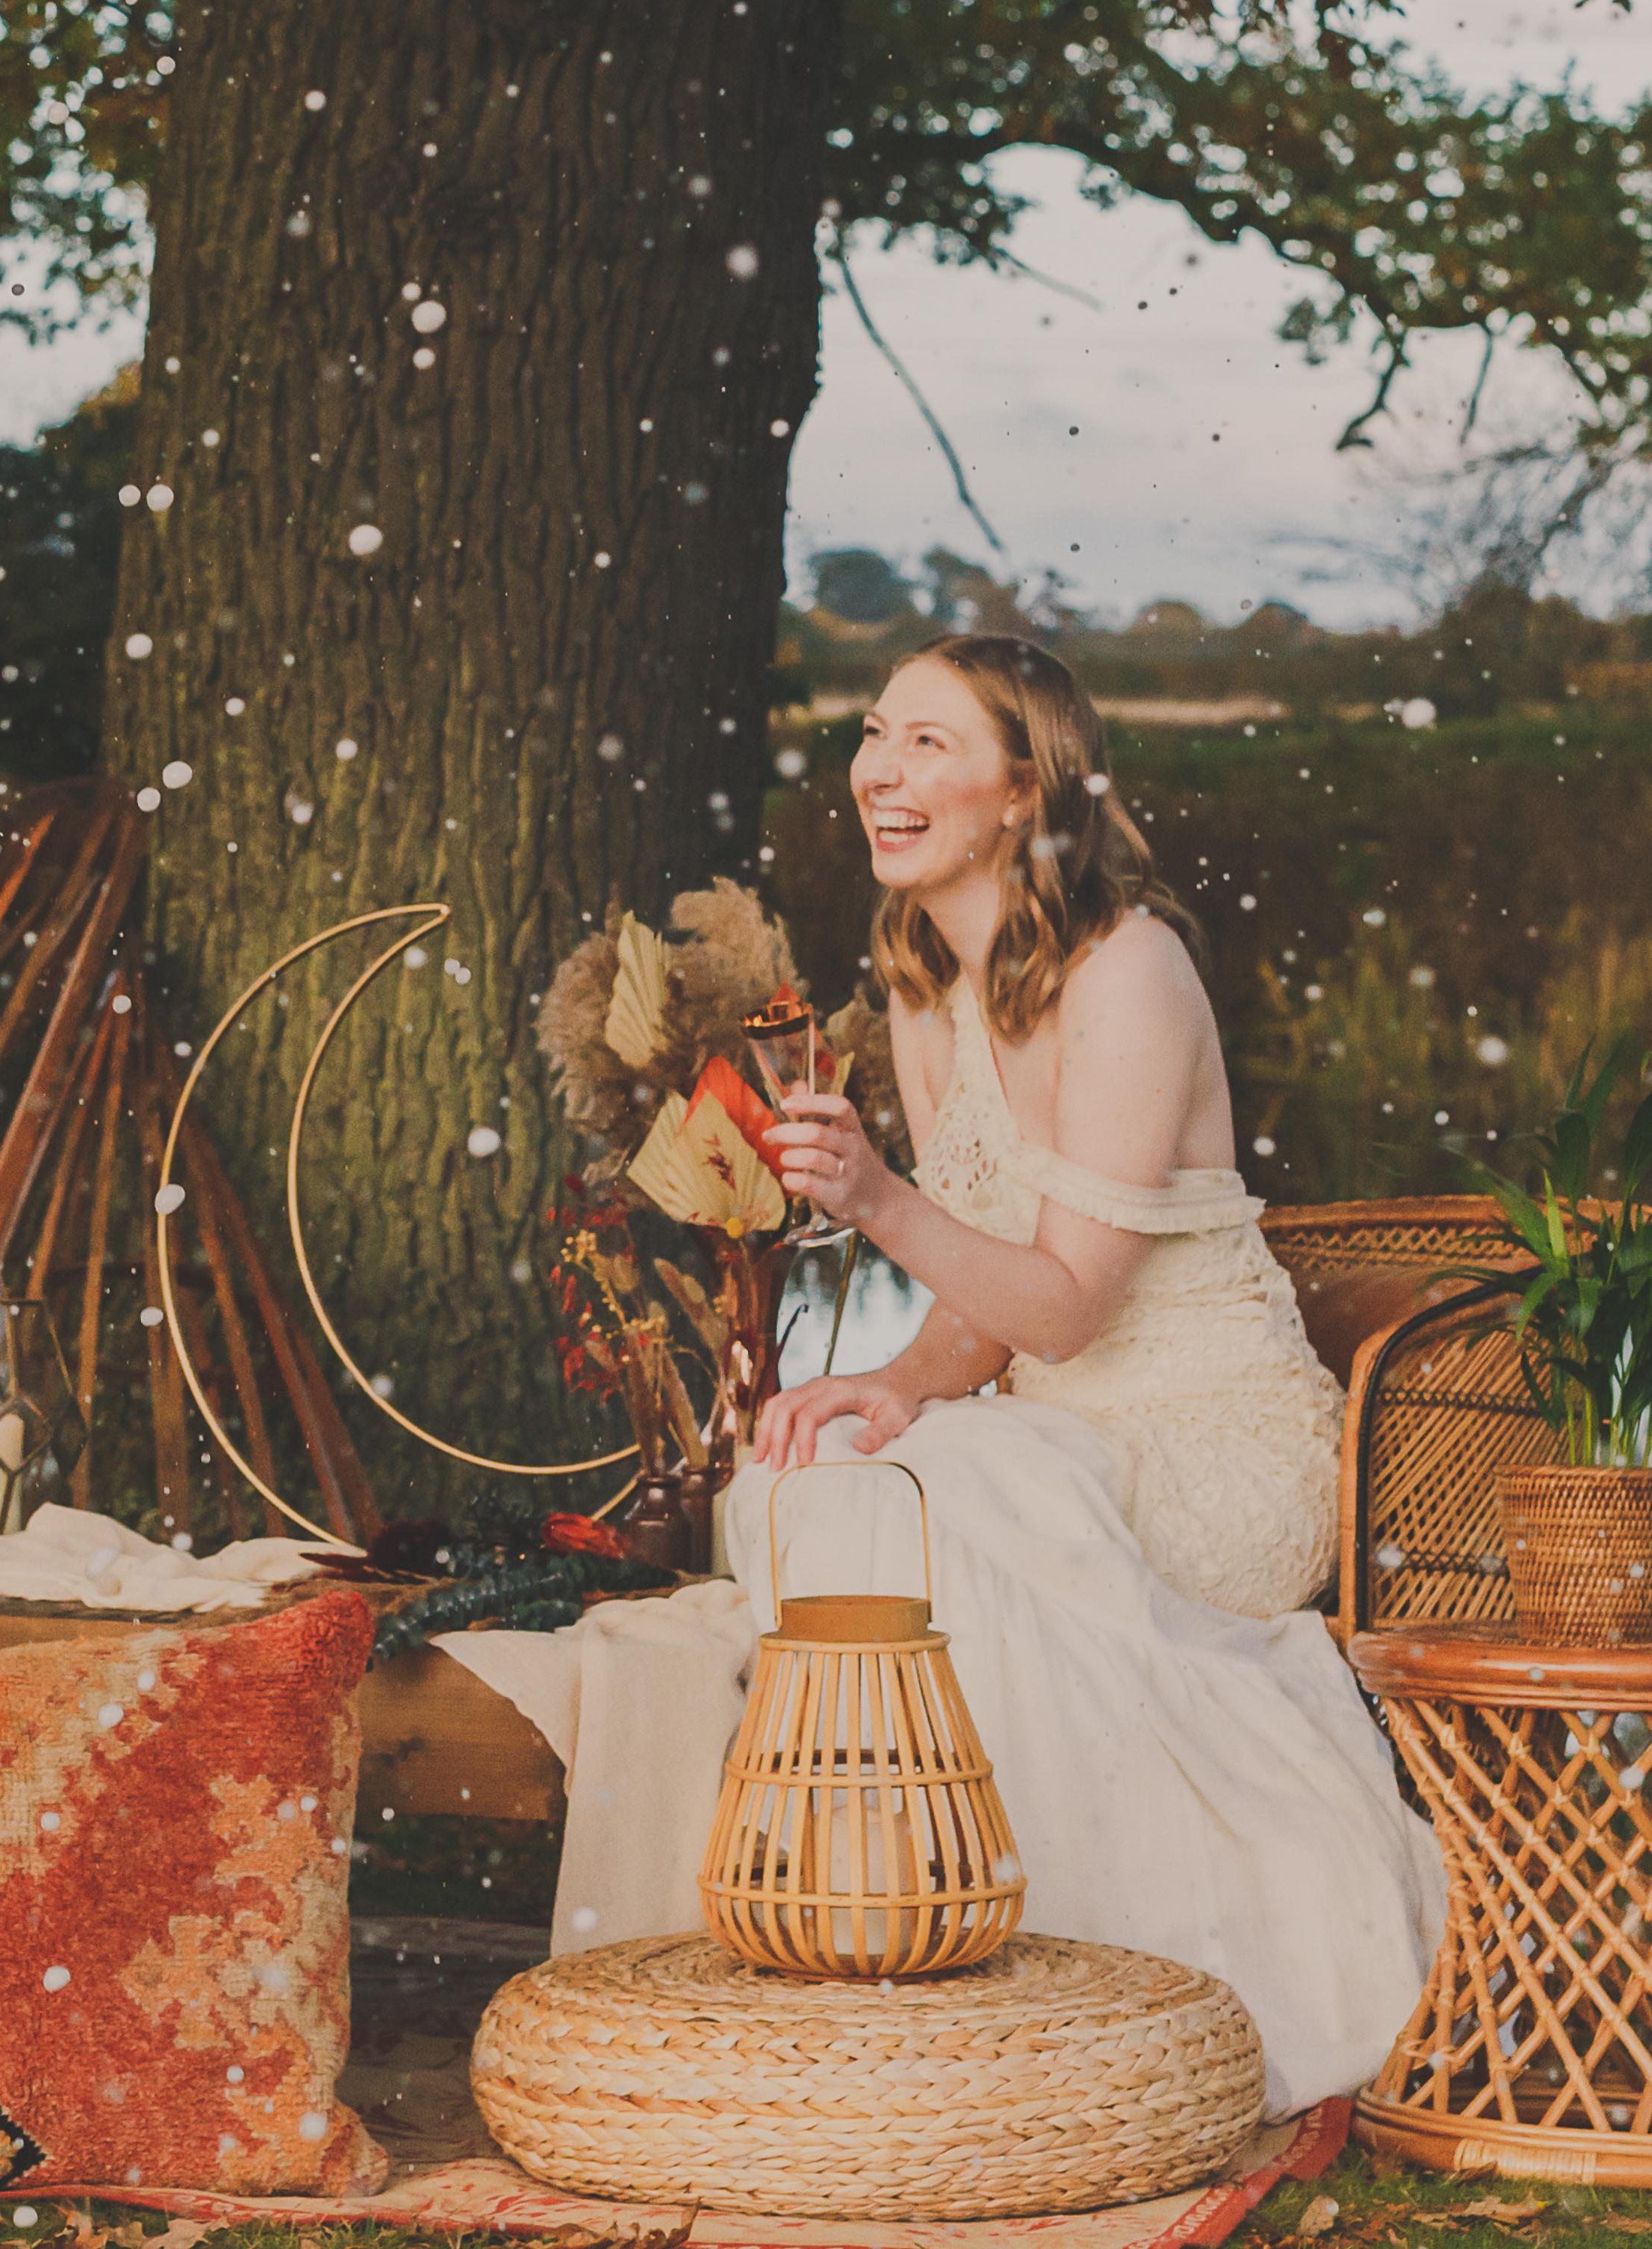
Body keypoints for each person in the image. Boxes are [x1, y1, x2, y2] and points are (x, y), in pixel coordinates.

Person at [450, 633, 1438, 2118]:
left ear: (1024, 782)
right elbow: (981, 1304)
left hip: (1218, 1447)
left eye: (927, 744)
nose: (879, 771)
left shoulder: (1131, 968)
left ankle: (1088, 1985)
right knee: (809, 1480)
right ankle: (872, 1949)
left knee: (940, 1511)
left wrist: (872, 1200)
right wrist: (895, 1381)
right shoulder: (925, 978)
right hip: (1051, 1440)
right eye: (873, 733)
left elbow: (1067, 1303)